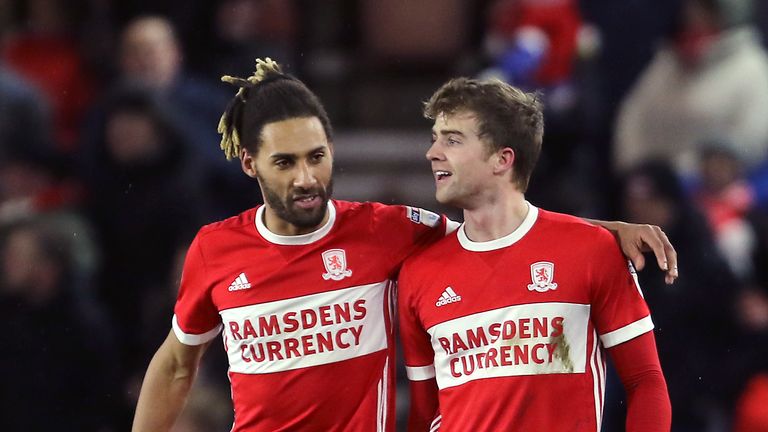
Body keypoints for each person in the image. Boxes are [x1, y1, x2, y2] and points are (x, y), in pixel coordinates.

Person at [133, 59, 676, 431]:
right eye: (285, 162)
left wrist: (607, 230)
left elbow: (509, 231)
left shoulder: (386, 231)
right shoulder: (215, 250)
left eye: (317, 156)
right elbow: (177, 365)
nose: (306, 178)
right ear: (250, 164)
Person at [398, 78, 672, 431]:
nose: (433, 153)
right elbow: (424, 414)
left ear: (502, 159)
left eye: (452, 140)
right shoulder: (419, 272)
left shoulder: (590, 249)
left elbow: (645, 380)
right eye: (434, 138)